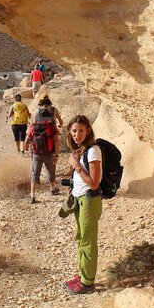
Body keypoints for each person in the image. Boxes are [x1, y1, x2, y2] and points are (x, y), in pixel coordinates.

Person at [63, 115, 102, 295]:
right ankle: (82, 275)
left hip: (89, 200)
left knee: (87, 242)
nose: (77, 134)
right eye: (74, 131)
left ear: (88, 131)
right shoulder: (81, 150)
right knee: (81, 239)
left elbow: (94, 183)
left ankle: (88, 283)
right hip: (80, 200)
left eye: (80, 130)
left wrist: (76, 165)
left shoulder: (93, 150)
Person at [23, 96, 61, 204]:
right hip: (49, 152)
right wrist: (56, 155)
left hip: (36, 153)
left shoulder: (34, 126)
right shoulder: (52, 127)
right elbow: (56, 142)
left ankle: (32, 196)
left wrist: (26, 149)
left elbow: (26, 140)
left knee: (35, 174)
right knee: (51, 171)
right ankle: (53, 189)